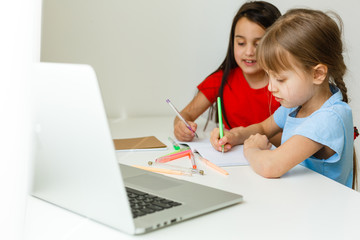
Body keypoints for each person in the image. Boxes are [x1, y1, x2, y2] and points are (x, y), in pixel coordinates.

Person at [210, 8, 358, 189]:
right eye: (269, 76)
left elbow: (271, 166)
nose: (271, 87)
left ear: (317, 74)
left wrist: (251, 149)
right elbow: (264, 127)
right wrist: (235, 136)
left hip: (321, 213)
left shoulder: (328, 118)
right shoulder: (298, 105)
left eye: (280, 79)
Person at [173, 1, 281, 143]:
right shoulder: (221, 80)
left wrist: (240, 136)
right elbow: (186, 114)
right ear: (232, 43)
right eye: (241, 43)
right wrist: (181, 126)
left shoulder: (285, 84)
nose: (249, 52)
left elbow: (293, 137)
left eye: (258, 44)